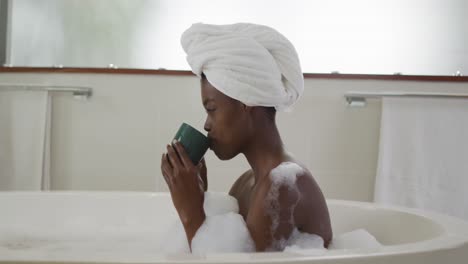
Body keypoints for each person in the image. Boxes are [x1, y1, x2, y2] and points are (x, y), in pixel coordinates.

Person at [161, 23, 332, 252]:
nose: (206, 124)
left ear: (246, 102)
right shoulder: (246, 183)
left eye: (211, 109)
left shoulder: (283, 186)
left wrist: (191, 213)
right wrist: (200, 199)